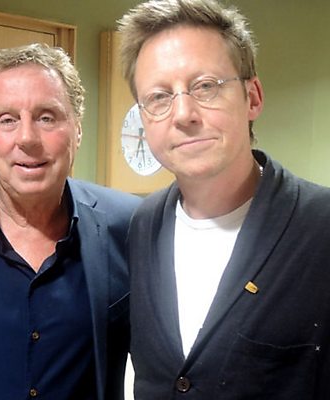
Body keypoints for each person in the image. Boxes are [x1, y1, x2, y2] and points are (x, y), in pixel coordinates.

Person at [118, 0, 330, 398]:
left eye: (205, 86)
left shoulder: (320, 228)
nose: (183, 114)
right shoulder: (143, 225)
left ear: (253, 97)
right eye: (159, 97)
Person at [0, 43, 141, 400]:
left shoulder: (130, 225)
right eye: (7, 119)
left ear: (77, 128)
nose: (26, 138)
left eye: (46, 117)